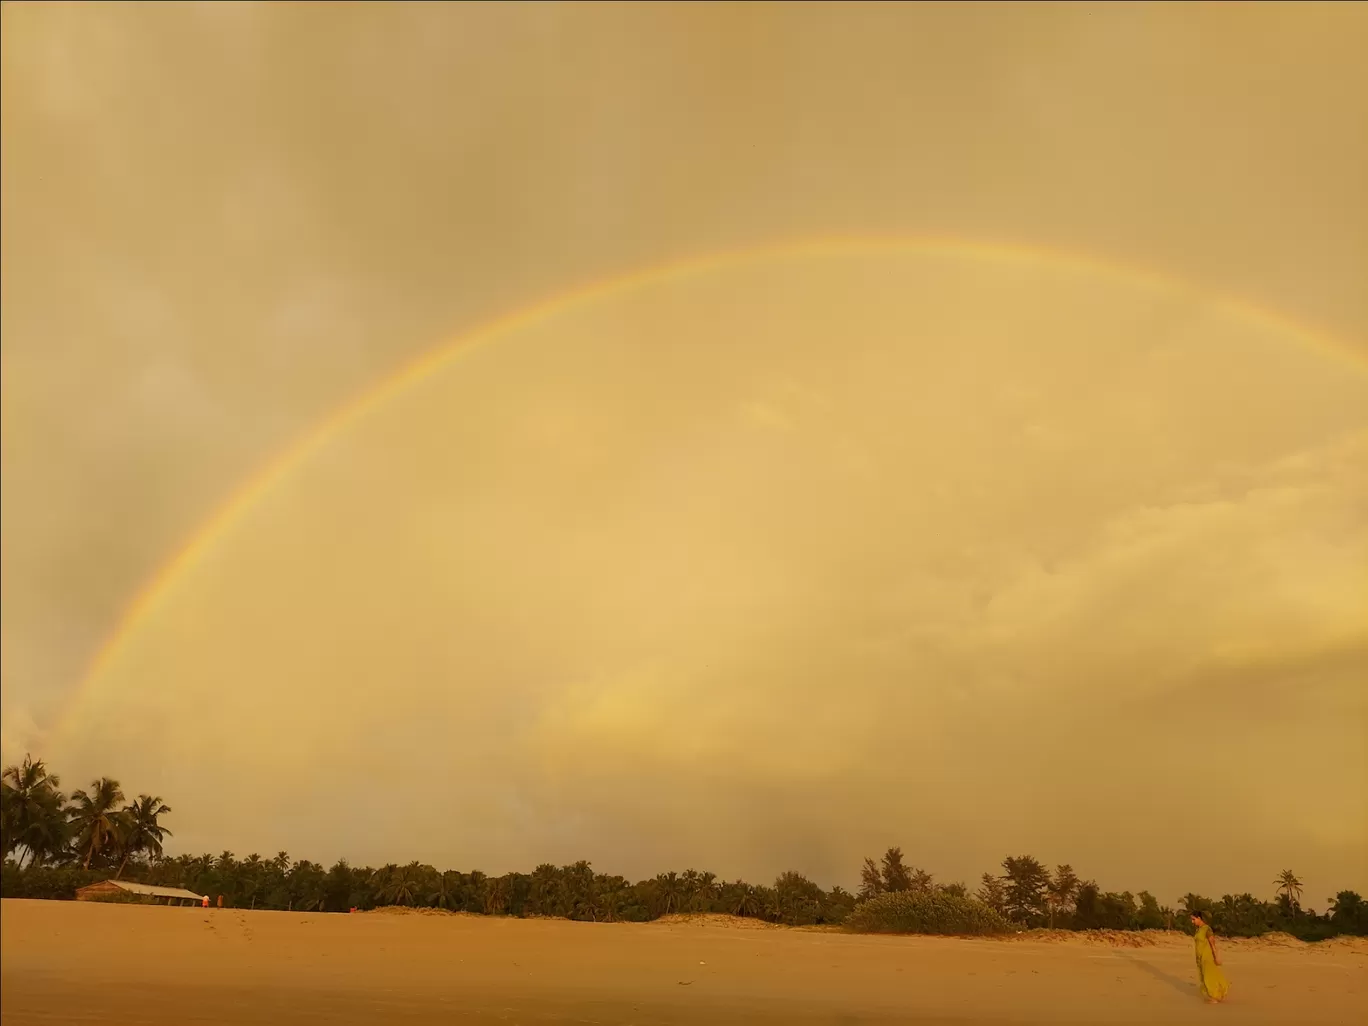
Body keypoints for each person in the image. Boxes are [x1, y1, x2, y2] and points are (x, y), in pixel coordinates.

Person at [1190, 910, 1229, 1003]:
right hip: (1200, 957)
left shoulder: (1207, 929)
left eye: (1193, 919)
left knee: (1209, 976)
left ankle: (1214, 997)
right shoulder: (1198, 930)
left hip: (1207, 956)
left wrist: (1216, 956)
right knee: (1203, 976)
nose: (1192, 922)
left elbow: (1212, 943)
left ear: (1199, 918)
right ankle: (1217, 994)